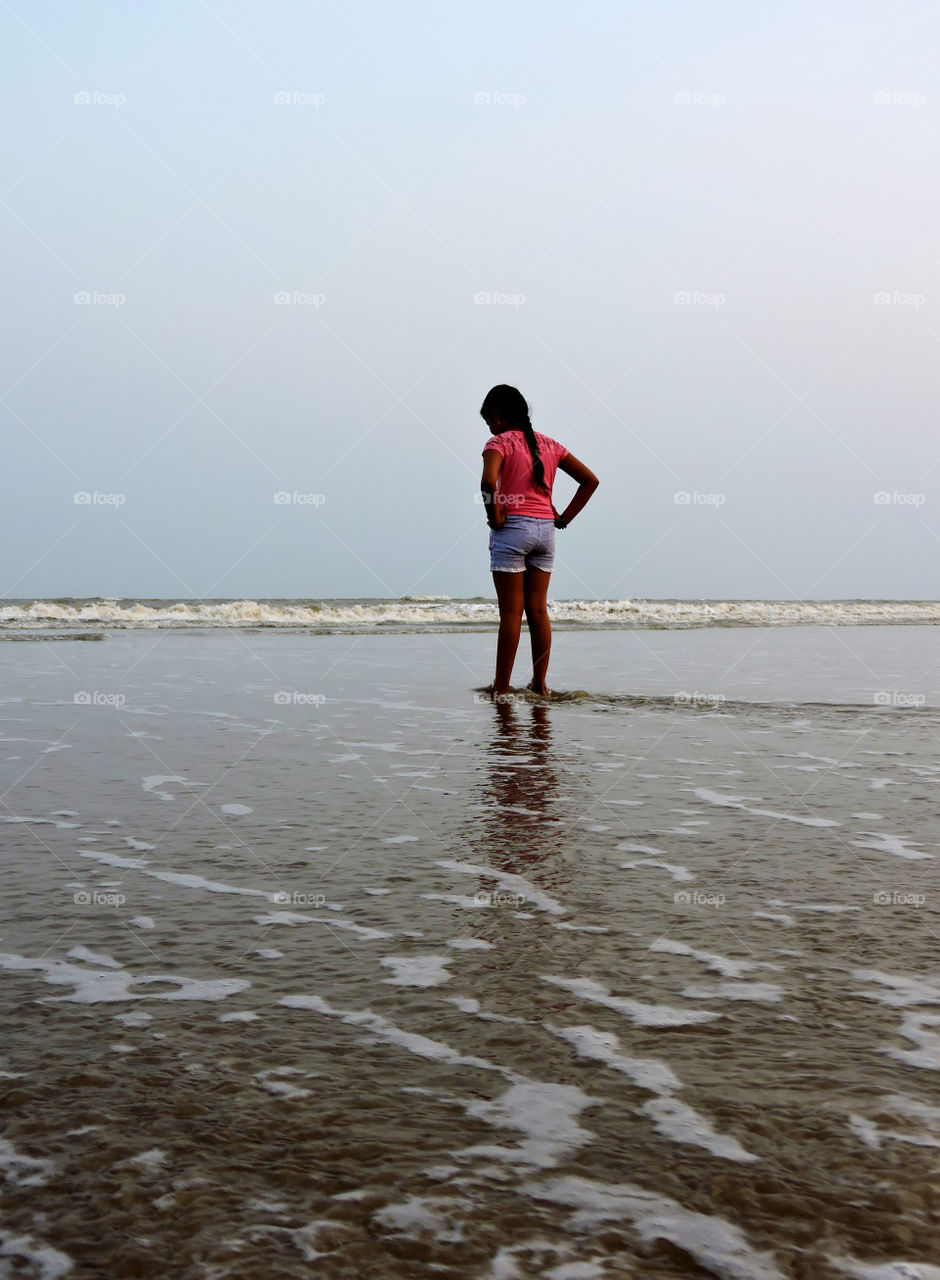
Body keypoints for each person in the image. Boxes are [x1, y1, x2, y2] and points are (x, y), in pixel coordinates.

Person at [479, 384, 599, 700]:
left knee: (510, 613)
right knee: (538, 611)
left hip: (513, 529)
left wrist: (493, 516)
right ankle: (540, 684)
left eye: (489, 420)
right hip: (546, 531)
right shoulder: (550, 444)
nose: (489, 427)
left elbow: (488, 481)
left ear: (499, 416)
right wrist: (564, 518)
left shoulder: (498, 442)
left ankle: (501, 688)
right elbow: (590, 481)